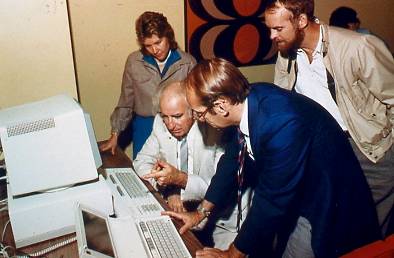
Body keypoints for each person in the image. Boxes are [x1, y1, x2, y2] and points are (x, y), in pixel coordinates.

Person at [163, 58, 380, 257]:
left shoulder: (282, 124)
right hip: (299, 197)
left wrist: (232, 254)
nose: (199, 121)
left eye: (199, 114)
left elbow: (270, 201)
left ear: (220, 105)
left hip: (329, 203)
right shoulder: (250, 101)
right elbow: (231, 162)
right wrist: (201, 213)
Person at [263, 0, 394, 237]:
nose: (272, 36)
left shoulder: (358, 47)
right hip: (327, 151)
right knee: (338, 227)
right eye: (269, 28)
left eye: (278, 28)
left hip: (370, 152)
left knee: (370, 232)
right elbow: (285, 105)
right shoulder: (286, 54)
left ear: (301, 21)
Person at [134, 81, 252, 249]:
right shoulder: (161, 123)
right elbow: (141, 162)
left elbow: (219, 188)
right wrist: (170, 189)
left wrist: (179, 180)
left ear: (194, 110)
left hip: (225, 220)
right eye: (164, 116)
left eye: (177, 116)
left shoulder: (217, 128)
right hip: (187, 215)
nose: (169, 124)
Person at [100, 11, 196, 159]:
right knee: (143, 173)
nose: (155, 50)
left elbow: (195, 105)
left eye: (158, 42)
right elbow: (125, 102)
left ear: (168, 36)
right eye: (148, 45)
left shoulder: (187, 63)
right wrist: (115, 134)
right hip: (144, 126)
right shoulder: (134, 62)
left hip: (177, 127)